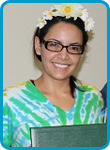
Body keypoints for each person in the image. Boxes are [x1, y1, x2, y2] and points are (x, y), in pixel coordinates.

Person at [3, 3, 105, 147]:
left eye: (74, 47)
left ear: (82, 52)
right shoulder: (10, 101)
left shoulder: (93, 98)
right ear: (38, 45)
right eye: (54, 44)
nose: (64, 56)